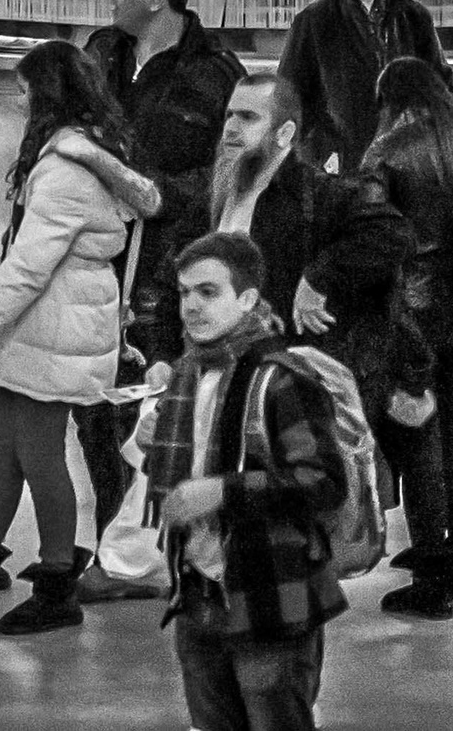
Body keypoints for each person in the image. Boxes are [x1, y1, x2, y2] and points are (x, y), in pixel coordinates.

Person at [0, 37, 161, 633]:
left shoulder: (62, 173)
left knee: (38, 457)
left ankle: (58, 581)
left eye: (28, 93)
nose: (22, 104)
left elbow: (25, 272)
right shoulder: (87, 155)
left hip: (53, 335)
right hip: (46, 333)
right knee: (6, 451)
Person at [143, 230, 350, 731]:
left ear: (248, 298)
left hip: (270, 601)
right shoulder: (188, 377)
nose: (190, 306)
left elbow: (323, 481)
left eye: (208, 292)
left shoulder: (281, 380)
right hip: (197, 597)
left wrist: (220, 492)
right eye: (184, 293)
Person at [353, 55, 453, 618]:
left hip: (407, 313)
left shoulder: (388, 150)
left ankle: (430, 579)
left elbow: (372, 232)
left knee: (418, 441)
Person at [275, 0, 443, 173]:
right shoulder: (314, 21)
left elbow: (440, 90)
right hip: (342, 167)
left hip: (410, 164)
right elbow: (289, 101)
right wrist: (321, 155)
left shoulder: (414, 18)